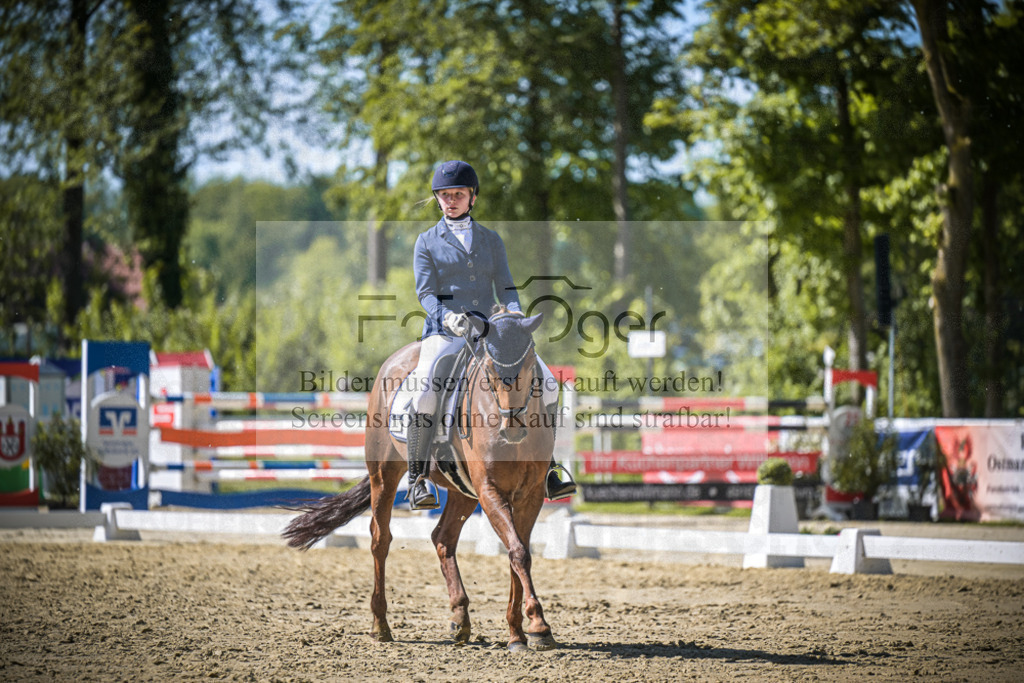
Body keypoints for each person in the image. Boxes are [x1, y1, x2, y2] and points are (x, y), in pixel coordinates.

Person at [404, 159, 577, 509]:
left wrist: (513, 311)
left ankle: (549, 467)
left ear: (473, 197)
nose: (451, 200)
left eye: (458, 194)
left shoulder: (491, 239)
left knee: (548, 382)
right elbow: (425, 293)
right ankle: (418, 477)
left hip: (489, 330)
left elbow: (506, 285)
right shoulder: (426, 242)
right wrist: (448, 317)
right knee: (424, 392)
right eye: (444, 195)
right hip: (445, 331)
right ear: (437, 198)